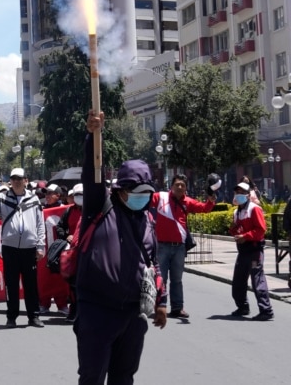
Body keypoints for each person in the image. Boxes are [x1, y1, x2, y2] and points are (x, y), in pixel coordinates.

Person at [76, 110, 167, 384]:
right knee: (92, 377)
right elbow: (92, 172)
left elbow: (154, 264)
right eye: (136, 192)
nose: (142, 198)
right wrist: (93, 136)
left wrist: (161, 302)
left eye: (147, 193)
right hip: (97, 311)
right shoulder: (99, 207)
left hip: (133, 315)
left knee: (124, 377)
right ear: (120, 190)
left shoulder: (148, 220)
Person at [150, 174, 215, 318]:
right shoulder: (160, 197)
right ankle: (160, 306)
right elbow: (144, 201)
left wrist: (210, 201)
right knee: (161, 279)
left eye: (183, 185)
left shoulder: (188, 202)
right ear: (171, 187)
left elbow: (204, 208)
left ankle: (177, 308)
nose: (180, 187)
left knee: (177, 279)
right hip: (162, 246)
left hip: (179, 247)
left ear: (185, 188)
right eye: (177, 184)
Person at [0, 167, 45, 328]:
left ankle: (34, 316)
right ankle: (11, 317)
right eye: (14, 178)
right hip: (10, 247)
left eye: (20, 178)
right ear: (10, 181)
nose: (17, 181)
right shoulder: (2, 197)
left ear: (26, 180)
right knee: (11, 284)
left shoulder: (34, 199)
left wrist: (40, 246)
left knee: (31, 285)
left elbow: (40, 224)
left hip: (29, 247)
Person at [230, 182, 274, 320]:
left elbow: (260, 230)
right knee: (238, 280)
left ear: (248, 195)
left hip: (254, 249)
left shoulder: (254, 209)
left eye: (242, 192)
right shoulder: (237, 212)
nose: (239, 195)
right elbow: (236, 229)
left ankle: (266, 310)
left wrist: (245, 236)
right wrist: (234, 231)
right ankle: (242, 307)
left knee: (257, 279)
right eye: (237, 192)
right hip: (243, 250)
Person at [56, 183, 84, 322]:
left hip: (89, 252)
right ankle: (74, 310)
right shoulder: (68, 211)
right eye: (76, 195)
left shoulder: (95, 211)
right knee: (72, 284)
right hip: (72, 253)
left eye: (82, 195)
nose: (79, 198)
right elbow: (60, 227)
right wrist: (66, 236)